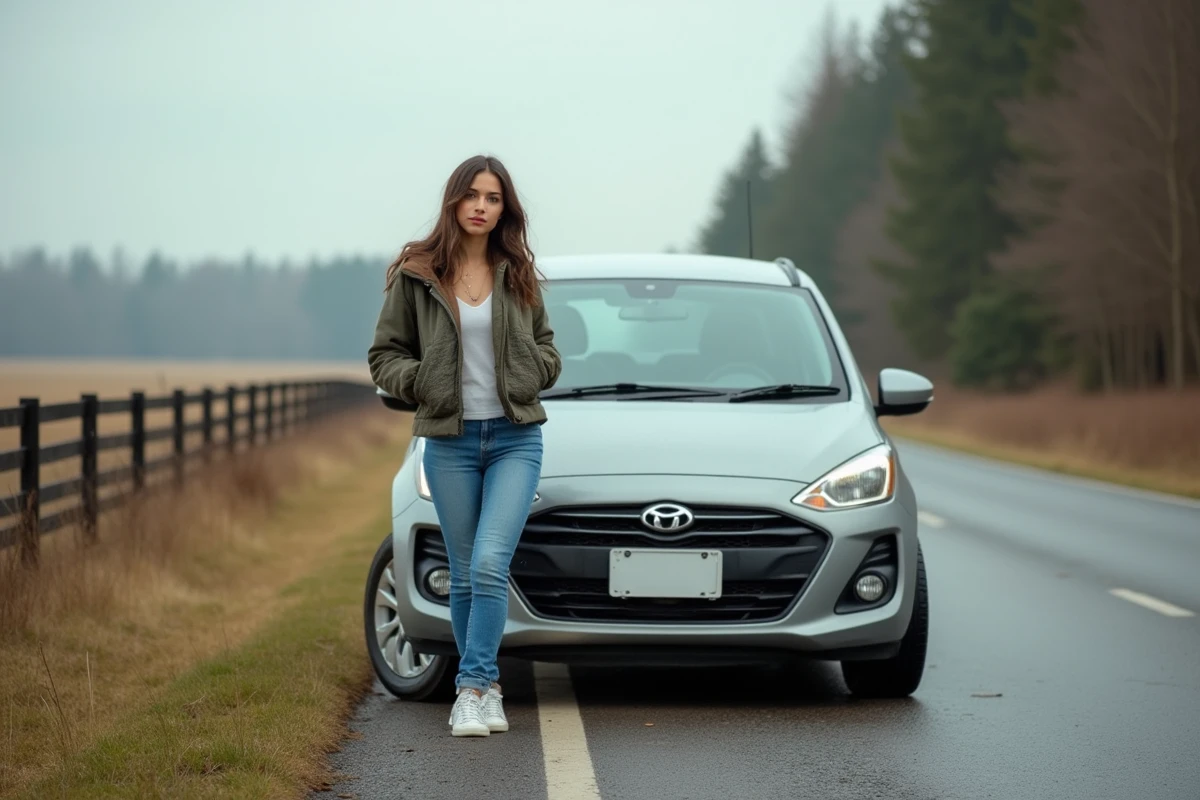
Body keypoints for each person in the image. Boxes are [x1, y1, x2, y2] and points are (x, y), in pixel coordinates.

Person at [367, 155, 561, 737]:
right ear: (454, 200)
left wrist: (529, 370)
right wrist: (422, 381)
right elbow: (384, 357)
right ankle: (486, 688)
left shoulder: (517, 271)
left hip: (514, 440)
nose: (482, 205)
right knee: (464, 570)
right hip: (449, 443)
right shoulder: (417, 274)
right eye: (473, 194)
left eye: (494, 197)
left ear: (506, 208)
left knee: (488, 562)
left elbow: (549, 352)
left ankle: (472, 688)